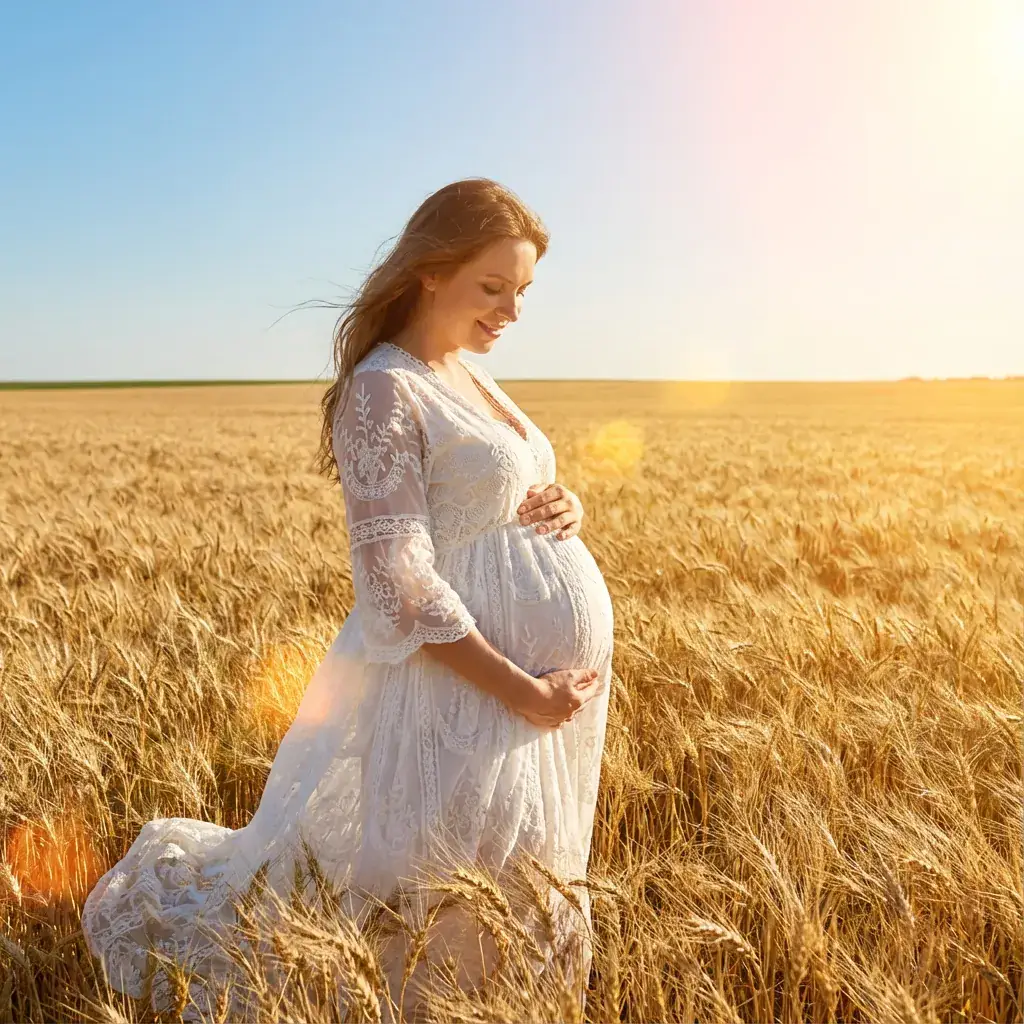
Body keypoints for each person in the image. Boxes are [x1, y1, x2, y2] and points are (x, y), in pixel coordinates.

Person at [80, 178, 615, 1020]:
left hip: (523, 693)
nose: (512, 310)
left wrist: (563, 503)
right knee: (440, 884)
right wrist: (521, 687)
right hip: (464, 684)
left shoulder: (468, 375)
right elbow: (397, 583)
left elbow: (494, 496)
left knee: (502, 874)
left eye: (523, 292)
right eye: (493, 286)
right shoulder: (383, 389)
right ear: (431, 271)